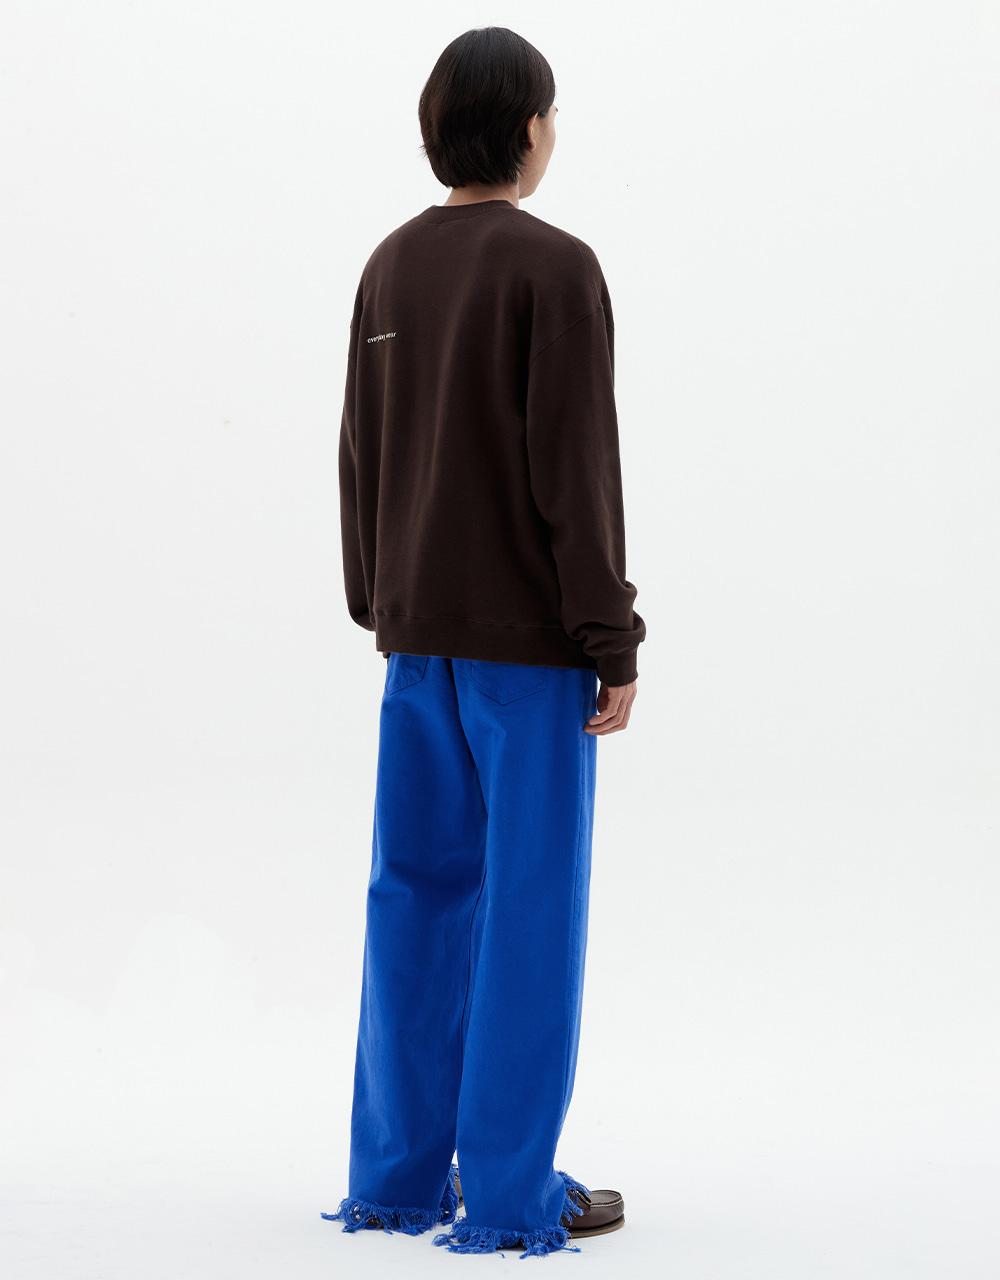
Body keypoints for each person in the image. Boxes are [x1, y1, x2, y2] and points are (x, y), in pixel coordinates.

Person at [324, 26, 645, 1259]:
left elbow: (361, 450)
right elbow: (576, 470)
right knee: (526, 911)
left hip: (416, 642)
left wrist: (379, 596)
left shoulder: (388, 265)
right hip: (526, 649)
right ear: (526, 128)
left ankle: (395, 1177)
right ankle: (511, 1193)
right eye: (549, 116)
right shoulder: (553, 267)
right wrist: (610, 636)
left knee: (413, 893)